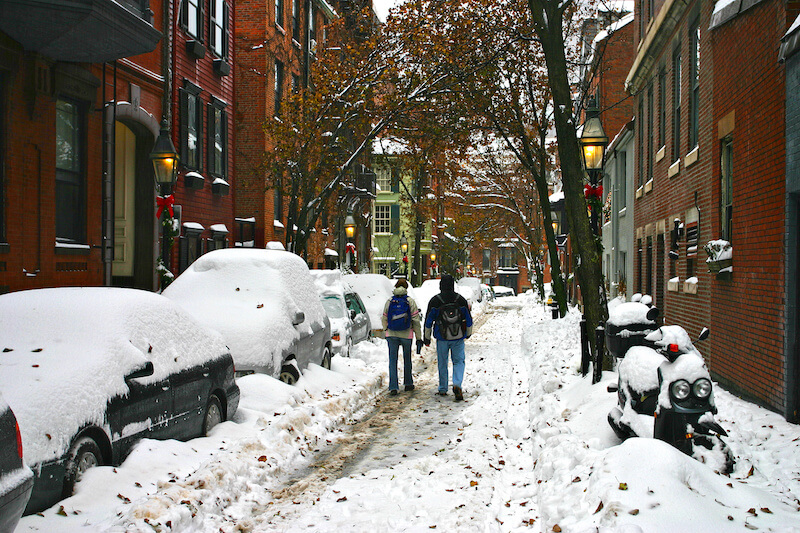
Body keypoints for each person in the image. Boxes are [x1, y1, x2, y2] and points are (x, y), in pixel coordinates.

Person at [424, 275, 473, 401]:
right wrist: (468, 333)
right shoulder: (460, 300)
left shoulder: (435, 301)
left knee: (442, 362)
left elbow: (428, 320)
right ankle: (457, 383)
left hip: (442, 337)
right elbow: (468, 319)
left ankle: (443, 388)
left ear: (441, 285)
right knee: (458, 361)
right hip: (458, 337)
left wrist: (427, 337)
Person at [381, 278, 423, 396]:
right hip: (406, 334)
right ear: (406, 288)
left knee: (392, 360)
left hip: (392, 334)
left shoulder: (389, 301)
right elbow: (415, 320)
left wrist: (386, 329)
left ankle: (393, 386)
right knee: (407, 358)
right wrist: (418, 337)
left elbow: (384, 317)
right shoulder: (410, 301)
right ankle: (408, 383)